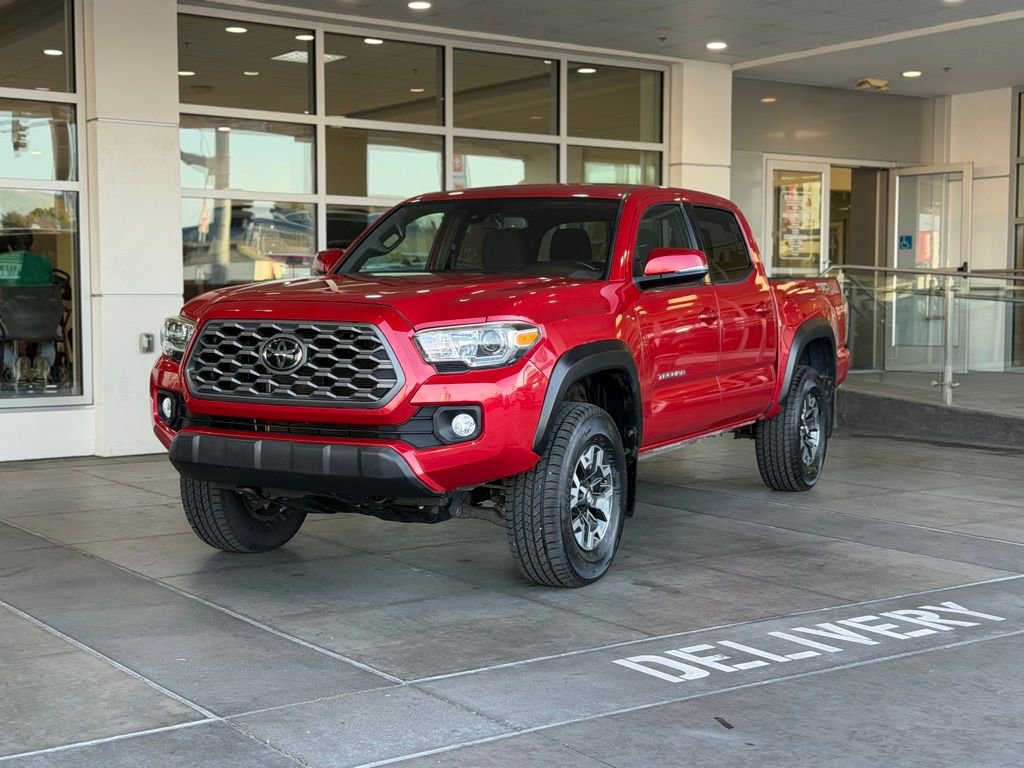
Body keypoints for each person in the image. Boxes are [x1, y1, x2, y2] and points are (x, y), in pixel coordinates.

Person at [0, 231, 57, 384]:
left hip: (12, 322)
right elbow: (50, 292)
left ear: (10, 247)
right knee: (51, 333)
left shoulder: (3, 261)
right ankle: (44, 361)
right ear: (32, 246)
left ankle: (15, 364)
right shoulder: (44, 263)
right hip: (42, 322)